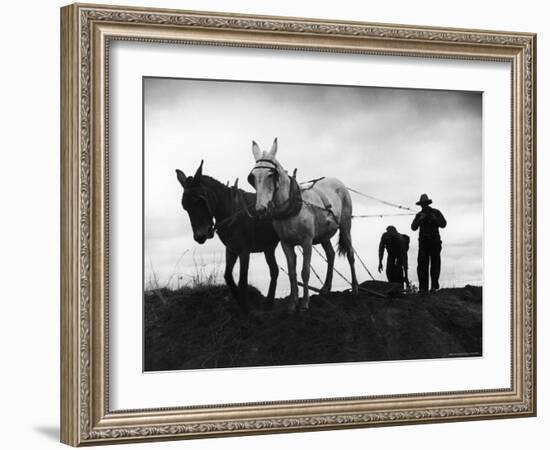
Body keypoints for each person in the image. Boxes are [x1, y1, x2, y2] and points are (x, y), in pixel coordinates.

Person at [411, 194, 447, 293]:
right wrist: (419, 219)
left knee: (435, 264)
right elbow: (413, 227)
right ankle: (423, 288)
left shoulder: (436, 212)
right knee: (422, 265)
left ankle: (434, 287)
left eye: (425, 204)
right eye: (422, 204)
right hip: (423, 244)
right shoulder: (419, 215)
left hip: (434, 242)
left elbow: (444, 224)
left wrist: (435, 219)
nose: (423, 206)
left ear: (428, 203)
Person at [378, 225, 410, 289]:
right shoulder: (385, 236)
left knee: (399, 271)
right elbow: (381, 249)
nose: (390, 236)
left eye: (391, 235)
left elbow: (404, 258)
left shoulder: (401, 240)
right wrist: (380, 262)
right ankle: (391, 287)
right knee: (389, 271)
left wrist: (406, 276)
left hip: (400, 254)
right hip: (391, 254)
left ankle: (400, 287)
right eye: (388, 233)